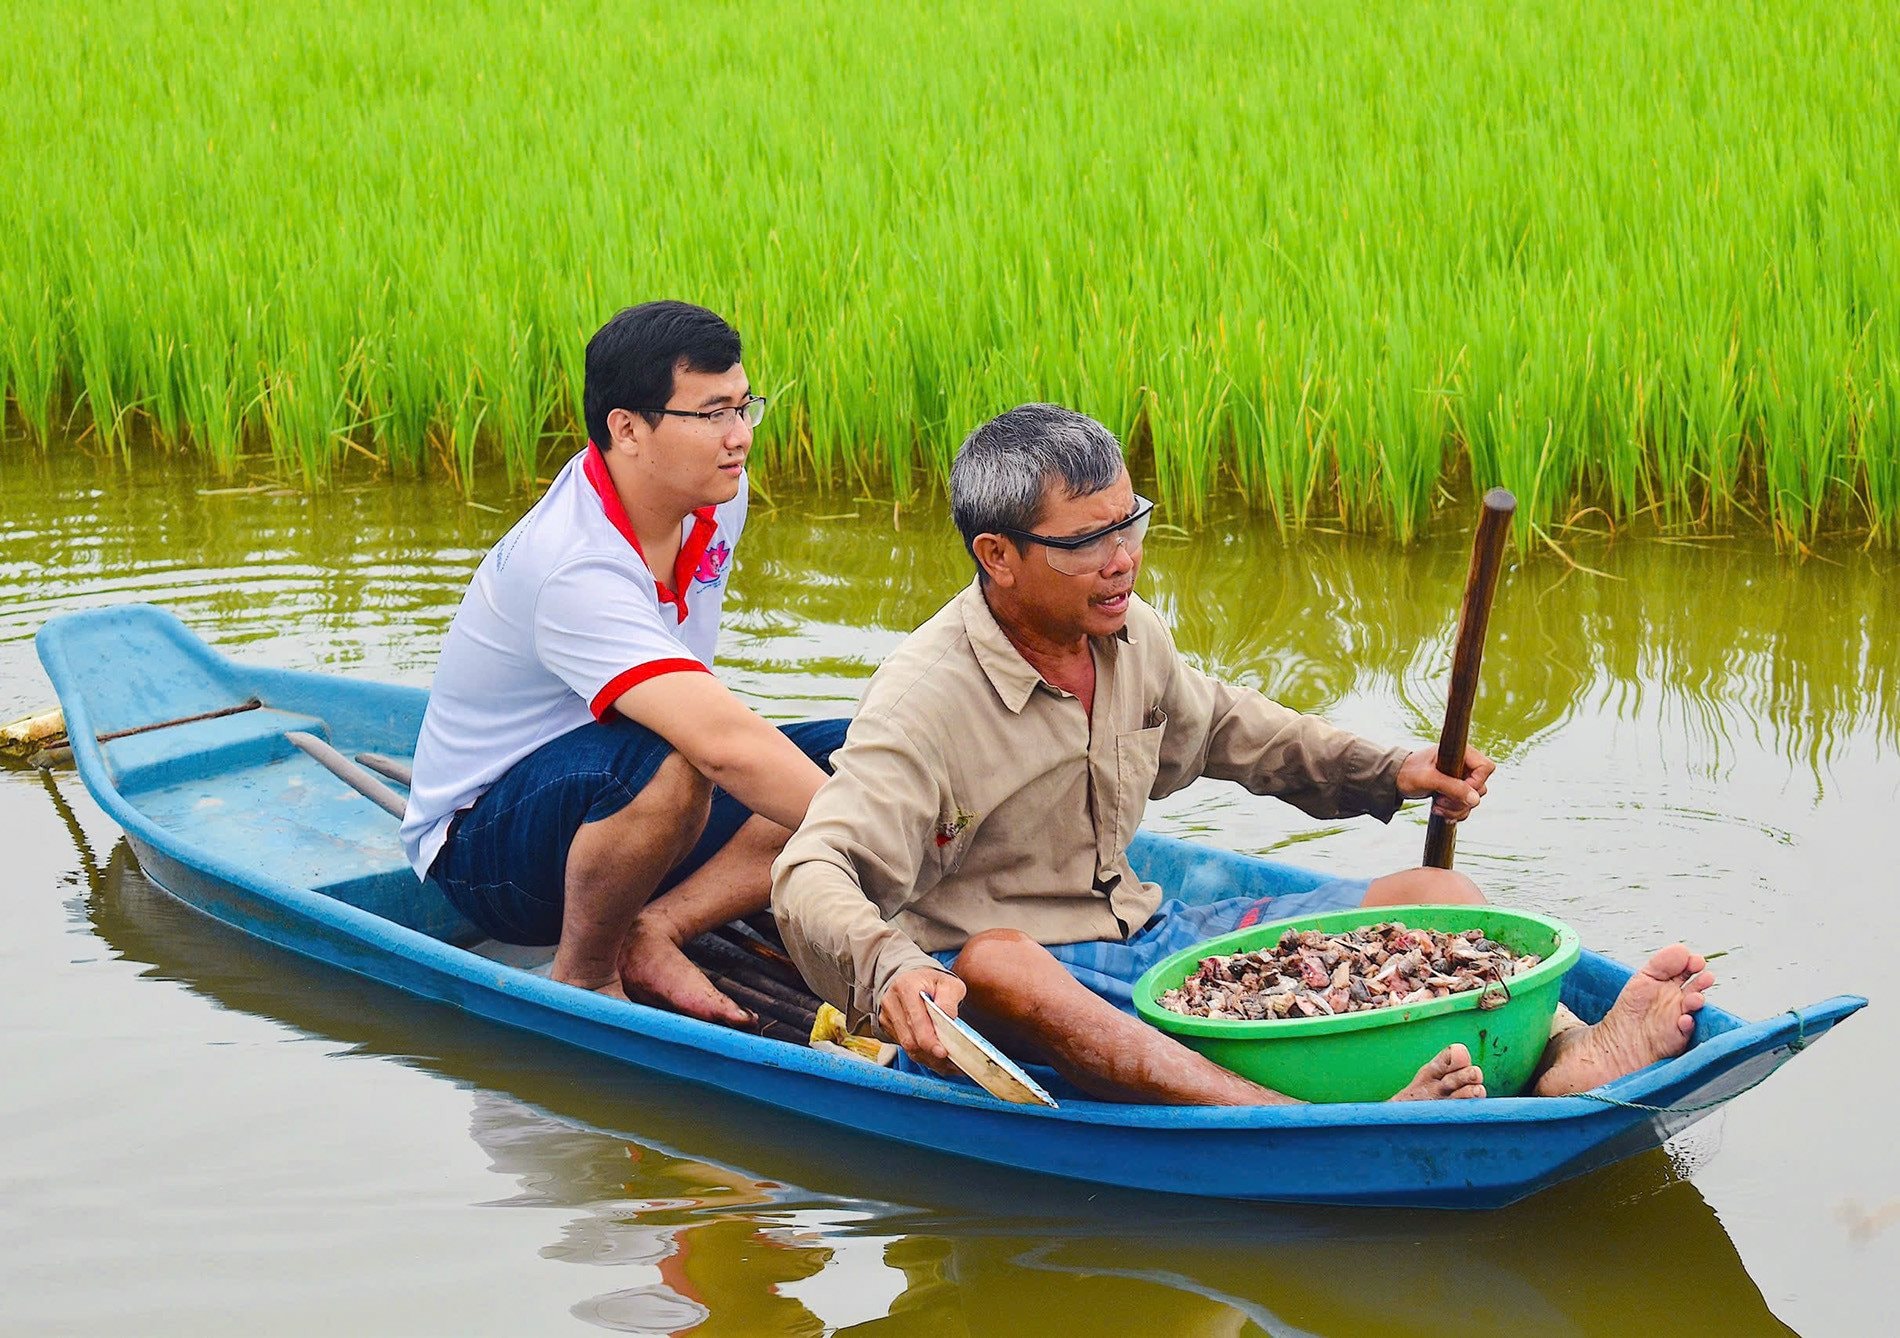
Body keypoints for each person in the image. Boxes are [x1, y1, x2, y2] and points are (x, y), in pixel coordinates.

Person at [771, 404, 1715, 1105]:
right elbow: (811, 869)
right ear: (998, 555)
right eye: (1088, 541)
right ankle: (1277, 1119)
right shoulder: (923, 697)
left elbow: (1230, 729)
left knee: (1442, 902)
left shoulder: (1127, 632)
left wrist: (1388, 770)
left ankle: (1566, 1053)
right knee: (997, 962)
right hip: (1035, 987)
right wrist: (889, 970)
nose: (1123, 559)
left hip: (1152, 933)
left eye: (1129, 523)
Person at [403, 301, 844, 1024]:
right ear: (627, 428)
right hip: (497, 856)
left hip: (635, 813)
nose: (739, 438)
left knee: (865, 755)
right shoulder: (573, 564)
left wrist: (881, 802)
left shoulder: (711, 496)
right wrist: (873, 842)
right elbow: (723, 743)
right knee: (680, 754)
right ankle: (586, 974)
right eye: (712, 415)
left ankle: (657, 927)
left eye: (744, 408)